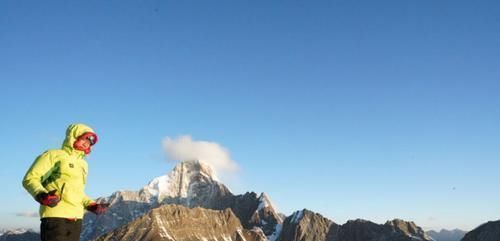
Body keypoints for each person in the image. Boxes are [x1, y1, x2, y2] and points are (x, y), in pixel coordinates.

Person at [22, 123, 108, 241]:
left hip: (76, 218)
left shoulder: (83, 164)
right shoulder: (54, 155)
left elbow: (77, 191)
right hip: (55, 216)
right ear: (74, 136)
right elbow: (30, 178)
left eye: (90, 142)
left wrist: (91, 205)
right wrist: (42, 195)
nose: (86, 143)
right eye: (85, 138)